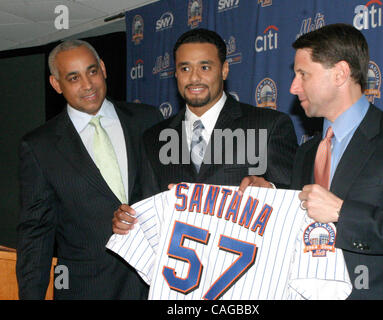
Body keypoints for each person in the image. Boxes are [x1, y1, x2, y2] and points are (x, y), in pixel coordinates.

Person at [16, 40, 163, 299]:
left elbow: (172, 192)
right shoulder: (40, 146)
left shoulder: (148, 120)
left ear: (103, 69)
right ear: (56, 84)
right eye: (73, 78)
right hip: (87, 289)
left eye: (92, 71)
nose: (87, 85)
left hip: (155, 285)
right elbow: (36, 233)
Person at [288, 23, 383, 299]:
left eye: (303, 74)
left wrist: (342, 213)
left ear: (340, 74)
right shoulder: (306, 153)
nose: (293, 87)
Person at [113, 28, 298, 234]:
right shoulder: (153, 139)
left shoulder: (268, 125)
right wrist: (128, 220)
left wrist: (270, 190)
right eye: (185, 69)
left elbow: (295, 199)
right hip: (179, 263)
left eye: (205, 67)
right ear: (175, 73)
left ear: (224, 70)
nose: (194, 78)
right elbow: (145, 209)